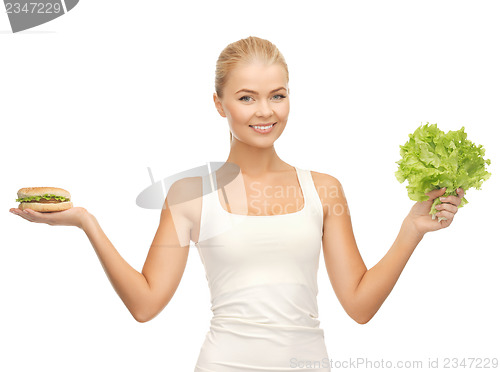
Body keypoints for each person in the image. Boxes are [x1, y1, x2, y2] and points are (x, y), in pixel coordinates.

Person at [9, 36, 464, 372]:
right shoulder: (189, 195)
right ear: (219, 103)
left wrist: (410, 232)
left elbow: (360, 307)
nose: (265, 111)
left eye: (277, 95)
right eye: (246, 97)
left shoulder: (324, 190)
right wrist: (86, 222)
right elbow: (146, 305)